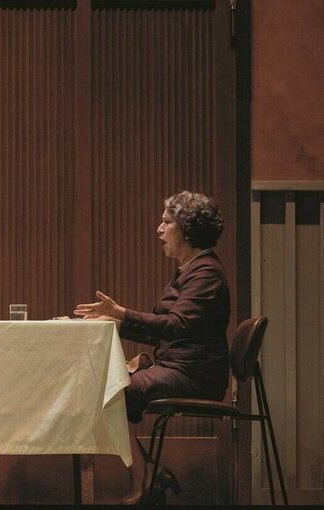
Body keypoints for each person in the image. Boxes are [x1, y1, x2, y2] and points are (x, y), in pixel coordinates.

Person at [74, 190, 229, 504]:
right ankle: (149, 472)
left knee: (113, 393)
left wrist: (122, 314)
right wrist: (117, 322)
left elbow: (176, 325)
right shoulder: (192, 270)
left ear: (187, 229)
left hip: (194, 373)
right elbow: (169, 329)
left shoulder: (206, 273)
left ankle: (144, 474)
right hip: (181, 367)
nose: (159, 229)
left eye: (167, 222)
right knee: (109, 388)